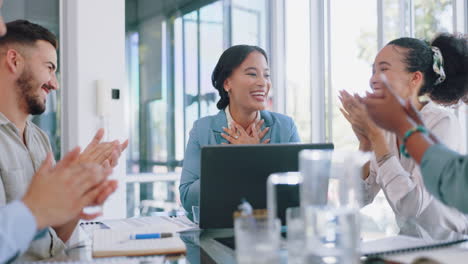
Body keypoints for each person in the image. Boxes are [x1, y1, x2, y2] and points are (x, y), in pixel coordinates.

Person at [0, 19, 128, 261]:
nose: (55, 84)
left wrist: (79, 194)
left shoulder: (39, 139)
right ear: (14, 61)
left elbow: (54, 238)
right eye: (49, 68)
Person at [339, 33, 468, 238]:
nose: (373, 79)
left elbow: (411, 206)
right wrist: (365, 144)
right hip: (407, 247)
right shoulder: (385, 129)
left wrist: (376, 138)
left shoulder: (442, 123)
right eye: (373, 71)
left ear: (415, 78)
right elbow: (354, 200)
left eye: (383, 69)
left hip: (449, 251)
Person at [179, 45, 300, 213]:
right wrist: (232, 161)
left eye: (266, 75)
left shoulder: (286, 127)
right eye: (252, 74)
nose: (263, 82)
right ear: (227, 83)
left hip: (270, 231)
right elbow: (187, 199)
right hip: (217, 234)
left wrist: (255, 157)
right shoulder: (202, 129)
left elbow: (297, 195)